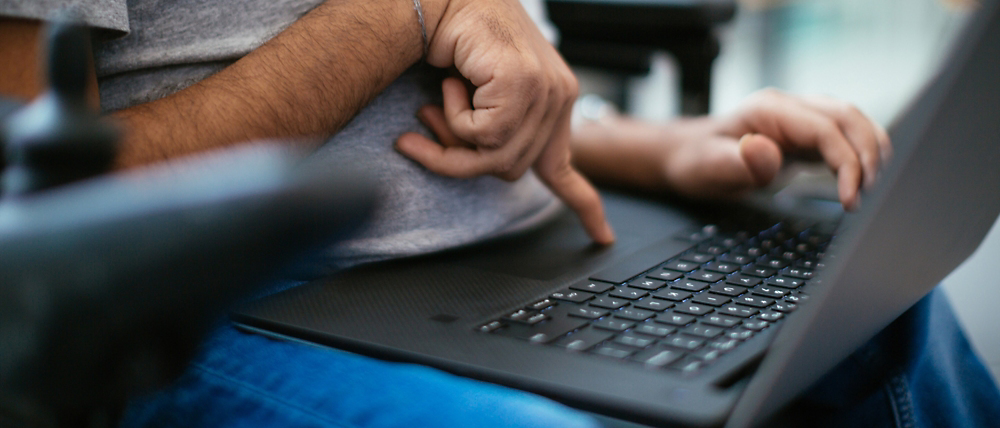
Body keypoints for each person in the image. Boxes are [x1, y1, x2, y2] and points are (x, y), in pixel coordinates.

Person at [1, 0, 997, 426]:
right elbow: (47, 194)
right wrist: (397, 13)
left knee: (881, 314)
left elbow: (489, 76)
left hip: (522, 248)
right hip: (212, 299)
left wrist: (662, 145)